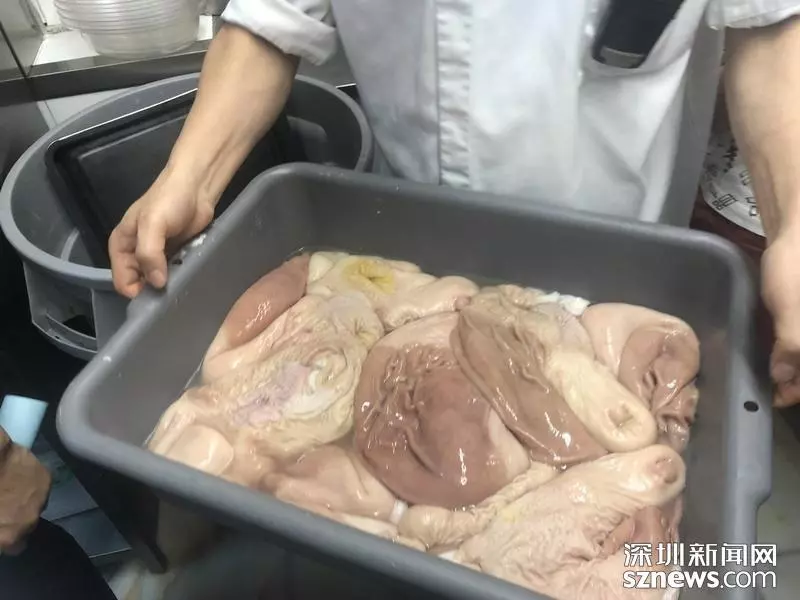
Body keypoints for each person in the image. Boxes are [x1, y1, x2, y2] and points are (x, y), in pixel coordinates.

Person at [109, 0, 800, 407]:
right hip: (406, 256)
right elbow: (270, 20)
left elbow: (769, 32)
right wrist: (189, 178)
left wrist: (794, 224)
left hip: (616, 259)